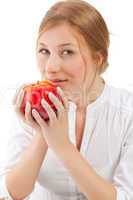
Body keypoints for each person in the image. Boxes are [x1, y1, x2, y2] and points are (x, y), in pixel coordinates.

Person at [0, 0, 133, 199]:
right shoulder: (31, 106)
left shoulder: (126, 112)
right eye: (44, 51)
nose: (51, 67)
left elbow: (125, 196)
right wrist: (42, 134)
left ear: (98, 59)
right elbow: (10, 194)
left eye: (67, 52)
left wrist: (62, 145)